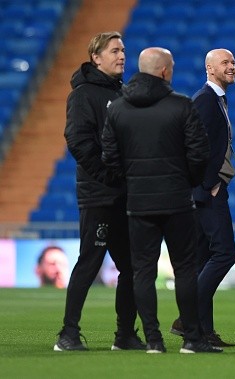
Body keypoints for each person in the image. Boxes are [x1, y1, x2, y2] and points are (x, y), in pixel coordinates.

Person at [101, 47, 221, 354]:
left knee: (143, 271)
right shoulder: (181, 105)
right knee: (184, 270)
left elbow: (109, 159)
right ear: (165, 71)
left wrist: (132, 185)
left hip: (138, 203)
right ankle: (192, 340)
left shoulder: (117, 108)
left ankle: (153, 340)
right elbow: (199, 153)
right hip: (178, 201)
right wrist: (187, 182)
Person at [56, 31, 144, 352]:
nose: (122, 55)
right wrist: (108, 177)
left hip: (125, 194)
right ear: (96, 57)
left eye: (123, 50)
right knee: (90, 261)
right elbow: (79, 141)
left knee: (131, 267)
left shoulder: (123, 93)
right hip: (99, 194)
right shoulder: (83, 95)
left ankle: (124, 335)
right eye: (114, 51)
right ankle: (67, 334)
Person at [169, 48, 235, 347]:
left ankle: (203, 331)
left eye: (233, 62)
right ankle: (187, 317)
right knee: (225, 253)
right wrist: (207, 183)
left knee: (203, 258)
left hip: (202, 191)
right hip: (206, 193)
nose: (232, 67)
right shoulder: (205, 100)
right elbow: (190, 145)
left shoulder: (215, 100)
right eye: (225, 63)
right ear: (209, 68)